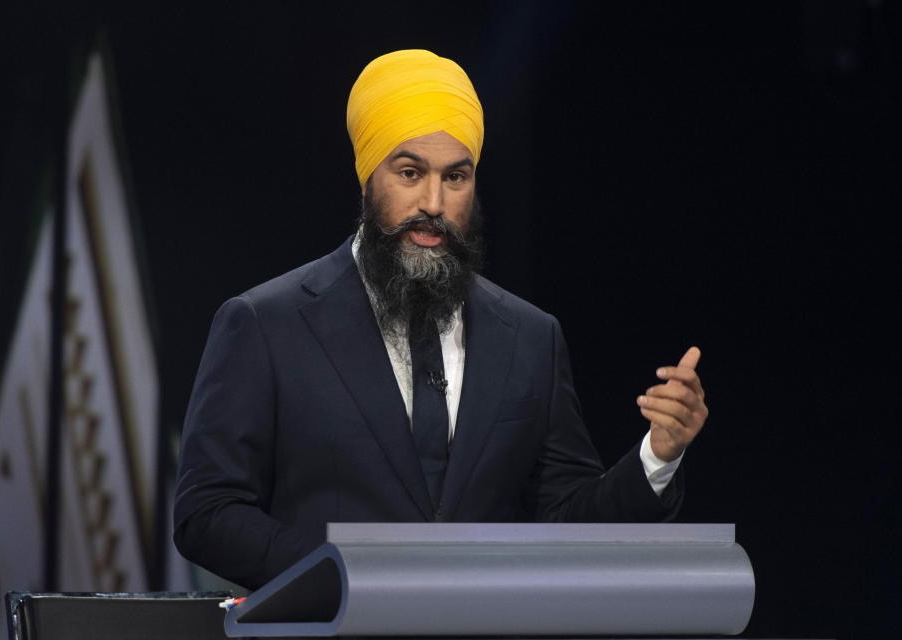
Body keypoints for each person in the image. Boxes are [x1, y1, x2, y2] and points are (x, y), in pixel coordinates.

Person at [173, 49, 709, 590]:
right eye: (410, 173)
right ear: (367, 179)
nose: (434, 202)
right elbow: (208, 513)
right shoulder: (266, 325)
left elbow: (565, 522)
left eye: (456, 177)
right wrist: (346, 577)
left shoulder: (529, 336)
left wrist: (656, 458)